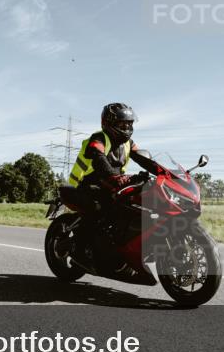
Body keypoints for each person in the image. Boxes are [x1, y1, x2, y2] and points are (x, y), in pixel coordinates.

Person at [66, 103, 157, 263]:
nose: (127, 128)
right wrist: (114, 176)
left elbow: (143, 160)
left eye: (129, 124)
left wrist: (166, 173)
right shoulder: (99, 138)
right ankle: (79, 251)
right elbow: (98, 157)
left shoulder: (128, 143)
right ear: (109, 123)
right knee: (98, 210)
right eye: (122, 124)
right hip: (91, 183)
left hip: (113, 184)